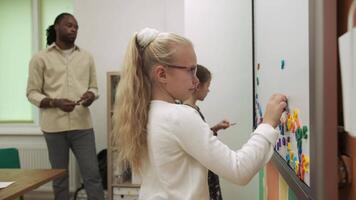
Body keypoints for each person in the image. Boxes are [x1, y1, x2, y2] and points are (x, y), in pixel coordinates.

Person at [112, 27, 287, 200]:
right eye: (190, 70)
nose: (196, 80)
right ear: (162, 74)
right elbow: (239, 170)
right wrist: (268, 124)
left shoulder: (144, 112)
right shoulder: (179, 116)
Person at [26, 13, 105, 200]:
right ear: (57, 27)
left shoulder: (87, 57)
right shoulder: (40, 59)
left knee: (92, 176)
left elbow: (94, 87)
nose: (73, 29)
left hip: (82, 126)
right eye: (69, 25)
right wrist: (54, 102)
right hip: (54, 128)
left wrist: (91, 95)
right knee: (59, 179)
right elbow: (32, 92)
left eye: (76, 27)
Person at [184, 64, 230, 200]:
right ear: (197, 85)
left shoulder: (194, 110)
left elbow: (197, 139)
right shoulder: (188, 114)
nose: (208, 90)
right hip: (202, 179)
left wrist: (215, 128)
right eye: (207, 85)